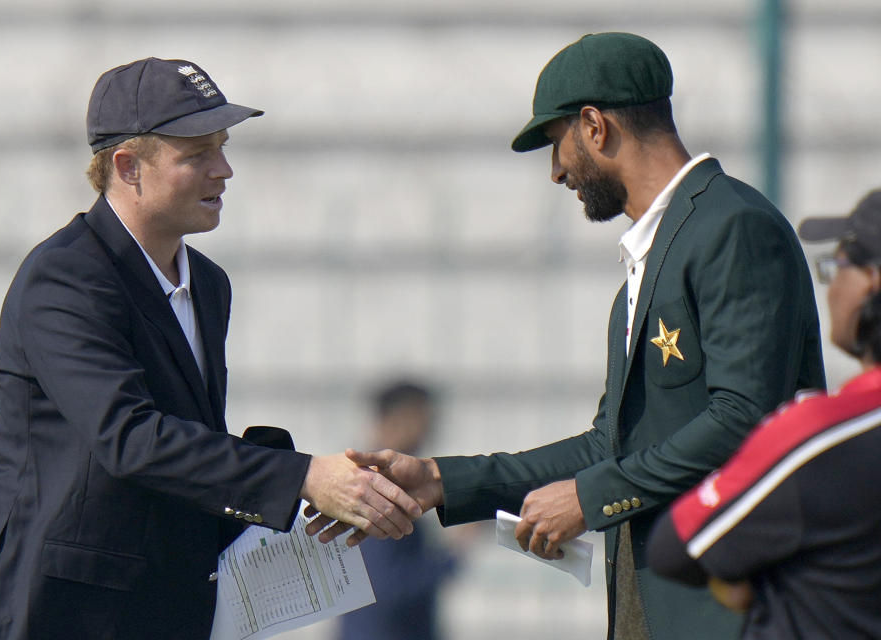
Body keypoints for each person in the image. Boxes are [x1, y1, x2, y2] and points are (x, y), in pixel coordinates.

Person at [307, 33, 825, 639]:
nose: (557, 172)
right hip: (657, 604)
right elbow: (613, 442)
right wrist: (443, 481)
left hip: (731, 610)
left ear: (595, 127)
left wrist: (591, 496)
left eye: (557, 146)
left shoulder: (731, 227)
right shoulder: (656, 253)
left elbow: (744, 418)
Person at [0, 57, 421, 640]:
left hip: (161, 609)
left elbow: (185, 450)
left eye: (222, 147)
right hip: (52, 612)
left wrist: (309, 500)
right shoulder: (63, 277)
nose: (224, 170)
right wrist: (300, 477)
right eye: (197, 155)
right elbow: (131, 438)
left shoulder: (209, 284)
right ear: (127, 166)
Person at [648, 190, 881, 638]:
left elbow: (673, 548)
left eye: (838, 266)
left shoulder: (815, 435)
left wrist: (744, 580)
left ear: (871, 279)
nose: (832, 285)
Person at [336, 380, 459, 640]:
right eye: (424, 421)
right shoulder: (373, 484)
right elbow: (385, 586)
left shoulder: (376, 480)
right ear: (398, 419)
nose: (428, 433)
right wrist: (452, 554)